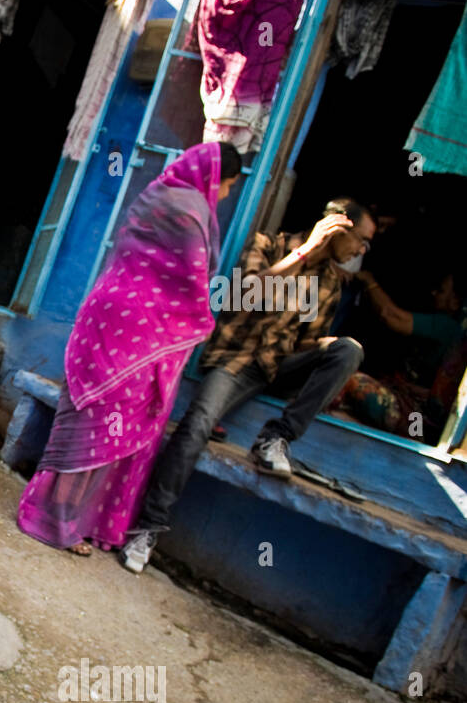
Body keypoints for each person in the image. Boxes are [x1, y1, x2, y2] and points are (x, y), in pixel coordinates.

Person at [120, 197, 375, 573]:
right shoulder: (266, 245)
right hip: (237, 362)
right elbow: (246, 295)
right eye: (361, 239)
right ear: (337, 226)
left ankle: (276, 437)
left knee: (347, 350)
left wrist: (323, 358)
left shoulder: (329, 284)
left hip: (280, 366)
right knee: (197, 425)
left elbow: (309, 339)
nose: (362, 250)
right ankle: (148, 527)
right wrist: (304, 253)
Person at [16, 141, 241, 556]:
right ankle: (63, 524)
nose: (225, 195)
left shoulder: (154, 194)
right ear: (215, 178)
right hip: (145, 332)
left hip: (104, 317)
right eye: (227, 185)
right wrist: (203, 323)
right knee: (109, 427)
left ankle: (52, 512)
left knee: (90, 418)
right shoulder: (192, 211)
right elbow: (191, 283)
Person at [334, 267, 465, 438]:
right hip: (416, 416)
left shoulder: (447, 327)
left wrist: (368, 280)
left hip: (415, 413)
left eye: (440, 291)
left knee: (346, 378)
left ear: (455, 302)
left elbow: (391, 317)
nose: (433, 293)